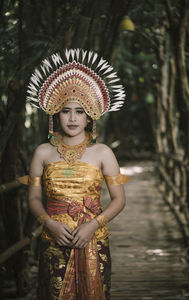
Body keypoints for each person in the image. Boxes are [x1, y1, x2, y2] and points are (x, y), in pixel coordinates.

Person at [21, 49, 130, 300]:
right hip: (54, 240)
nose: (72, 118)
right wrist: (49, 223)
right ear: (55, 114)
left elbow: (119, 199)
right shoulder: (42, 153)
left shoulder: (102, 152)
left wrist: (92, 225)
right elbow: (34, 199)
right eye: (65, 110)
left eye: (79, 111)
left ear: (90, 114)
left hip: (93, 238)